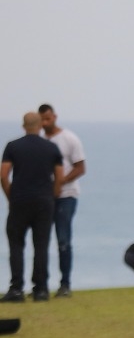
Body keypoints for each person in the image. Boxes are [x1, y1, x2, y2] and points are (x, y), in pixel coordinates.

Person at [1, 112, 65, 302]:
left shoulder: (13, 147)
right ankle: (41, 289)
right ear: (40, 126)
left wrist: (10, 196)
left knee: (16, 244)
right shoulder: (52, 148)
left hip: (19, 200)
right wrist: (51, 197)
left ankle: (16, 289)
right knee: (41, 245)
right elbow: (59, 178)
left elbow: (3, 175)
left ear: (23, 126)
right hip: (43, 202)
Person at [38, 105, 85, 298]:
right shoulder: (40, 141)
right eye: (42, 120)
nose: (45, 123)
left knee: (63, 239)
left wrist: (61, 181)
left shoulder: (69, 139)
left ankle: (65, 283)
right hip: (45, 196)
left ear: (54, 117)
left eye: (48, 119)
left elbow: (80, 167)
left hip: (67, 196)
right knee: (42, 240)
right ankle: (41, 284)